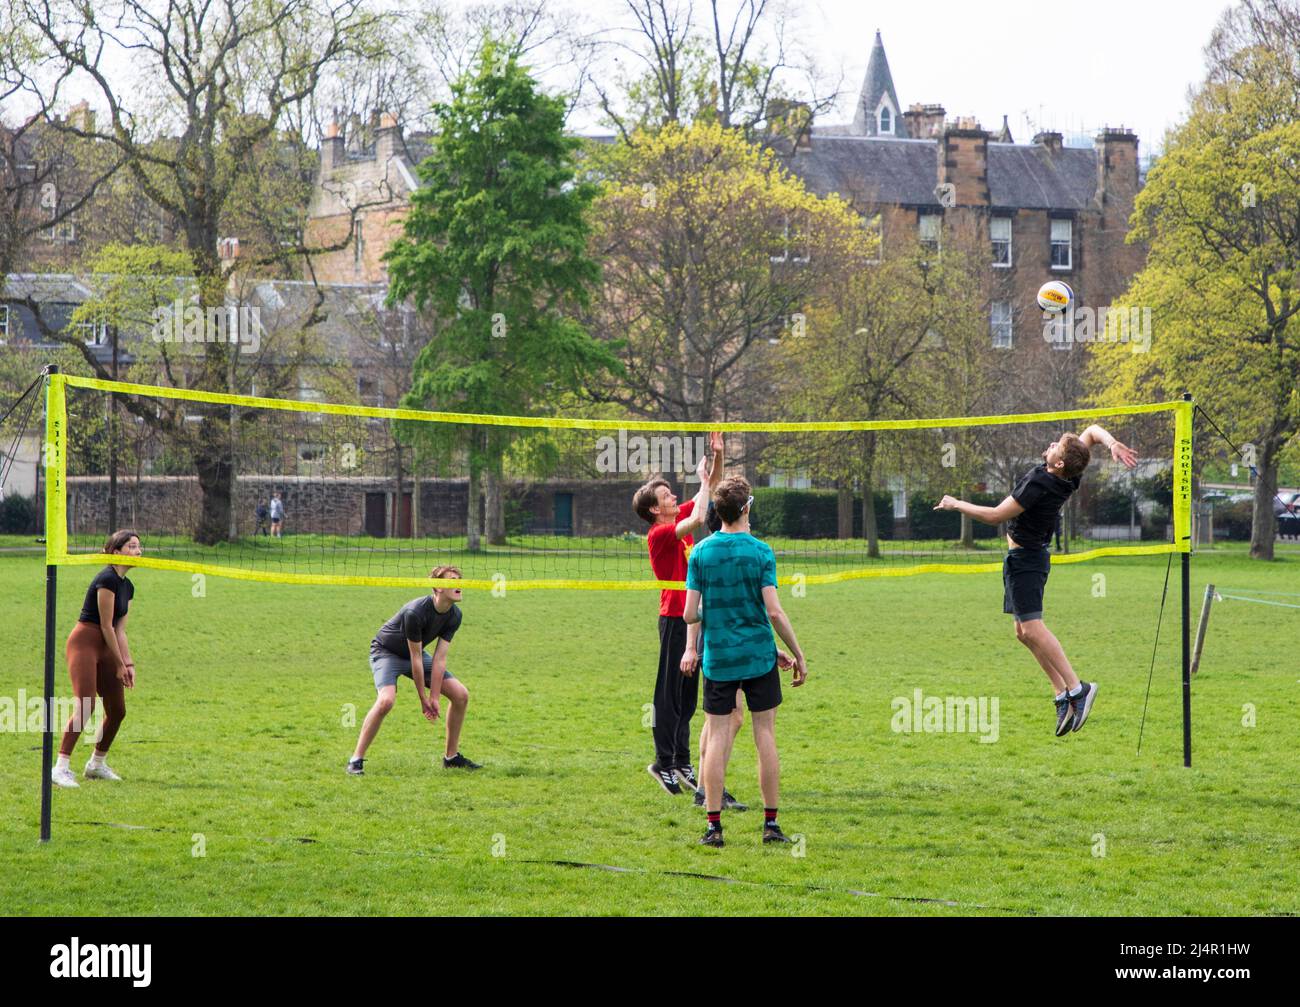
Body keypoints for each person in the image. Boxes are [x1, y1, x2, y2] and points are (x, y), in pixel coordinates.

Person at [935, 426, 1137, 736]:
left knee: (1032, 628)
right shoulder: (1069, 473)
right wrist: (1112, 444)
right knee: (1022, 633)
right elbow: (1092, 431)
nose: (1053, 443)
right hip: (1025, 559)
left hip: (1027, 561)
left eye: (1057, 446)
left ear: (1058, 463)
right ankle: (1061, 695)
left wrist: (956, 504)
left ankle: (1078, 688)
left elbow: (995, 515)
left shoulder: (1041, 483)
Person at [684, 476, 808, 848]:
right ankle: (770, 826)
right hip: (757, 655)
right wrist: (798, 653)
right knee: (764, 735)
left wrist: (720, 608)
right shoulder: (761, 551)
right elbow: (773, 611)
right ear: (745, 509)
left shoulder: (701, 553)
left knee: (717, 738)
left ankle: (713, 828)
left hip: (720, 657)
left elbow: (690, 614)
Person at [632, 433, 746, 810]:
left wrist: (715, 460)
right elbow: (700, 515)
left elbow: (707, 497)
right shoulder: (660, 533)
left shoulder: (674, 518)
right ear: (654, 509)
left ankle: (681, 760)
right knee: (667, 695)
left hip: (693, 618)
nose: (672, 499)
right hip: (673, 619)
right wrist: (701, 482)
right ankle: (662, 761)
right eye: (666, 497)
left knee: (686, 695)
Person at [347, 565, 480, 774]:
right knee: (386, 701)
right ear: (438, 587)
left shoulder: (455, 615)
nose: (459, 584)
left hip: (415, 655)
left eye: (459, 579)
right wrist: (423, 699)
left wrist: (435, 696)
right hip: (386, 652)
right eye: (452, 580)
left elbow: (439, 659)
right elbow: (416, 658)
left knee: (461, 695)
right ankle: (356, 760)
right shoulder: (415, 612)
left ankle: (451, 757)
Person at [52, 529, 143, 788]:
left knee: (117, 710)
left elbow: (120, 630)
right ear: (117, 552)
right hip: (86, 641)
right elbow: (105, 626)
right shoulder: (107, 579)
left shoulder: (128, 586)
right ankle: (60, 767)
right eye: (132, 547)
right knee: (87, 704)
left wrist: (128, 664)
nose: (138, 552)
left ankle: (96, 764)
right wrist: (118, 664)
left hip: (108, 645)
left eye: (139, 547)